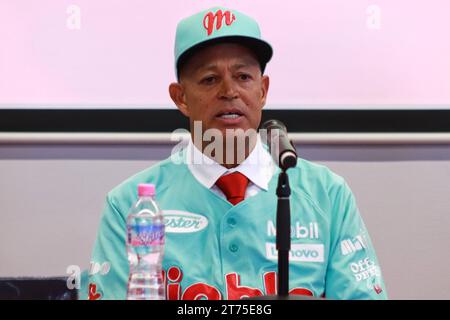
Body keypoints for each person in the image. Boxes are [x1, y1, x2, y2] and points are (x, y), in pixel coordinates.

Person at [84, 6, 387, 300]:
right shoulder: (130, 206)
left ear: (263, 90)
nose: (229, 91)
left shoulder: (328, 196)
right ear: (181, 98)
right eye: (210, 79)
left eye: (243, 77)